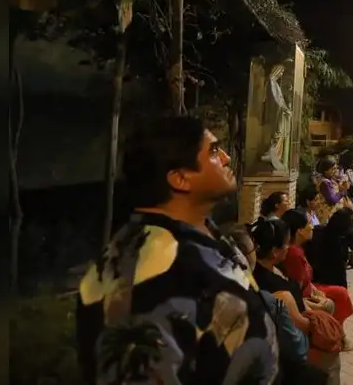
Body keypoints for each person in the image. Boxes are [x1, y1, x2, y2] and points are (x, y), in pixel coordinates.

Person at [76, 116, 280, 385]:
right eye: (213, 151)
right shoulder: (149, 276)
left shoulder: (200, 233)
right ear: (180, 178)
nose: (227, 158)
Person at [223, 223, 330, 385]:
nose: (256, 251)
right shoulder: (268, 299)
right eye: (253, 249)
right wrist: (314, 320)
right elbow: (297, 348)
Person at [280, 211, 353, 347]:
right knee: (339, 296)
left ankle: (338, 333)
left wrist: (316, 291)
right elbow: (296, 292)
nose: (312, 226)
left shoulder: (300, 248)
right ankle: (334, 335)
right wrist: (314, 303)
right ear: (300, 230)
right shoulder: (294, 254)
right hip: (303, 298)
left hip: (311, 288)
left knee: (341, 293)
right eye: (309, 223)